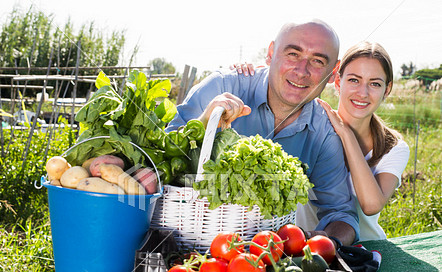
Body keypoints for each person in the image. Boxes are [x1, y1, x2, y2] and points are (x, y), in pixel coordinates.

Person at [167, 20, 359, 247]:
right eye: (293, 54)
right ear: (271, 54)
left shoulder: (324, 133)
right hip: (185, 243)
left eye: (317, 61)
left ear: (332, 72)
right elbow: (161, 158)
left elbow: (341, 214)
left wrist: (325, 242)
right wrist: (204, 122)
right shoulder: (221, 88)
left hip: (264, 262)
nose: (301, 71)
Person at [295, 42, 410, 241]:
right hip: (308, 250)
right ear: (338, 82)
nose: (363, 93)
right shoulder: (309, 128)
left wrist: (346, 135)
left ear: (387, 89)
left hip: (364, 252)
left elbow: (371, 205)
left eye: (375, 83)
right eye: (354, 80)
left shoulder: (394, 148)